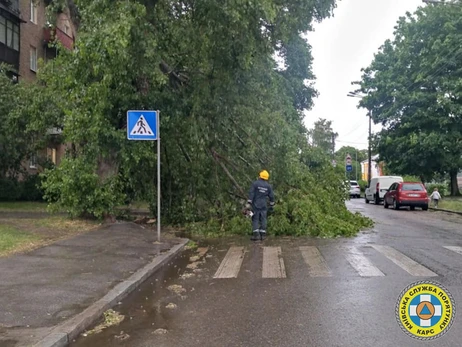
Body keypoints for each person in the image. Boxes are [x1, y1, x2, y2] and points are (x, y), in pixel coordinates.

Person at [246, 170, 275, 241]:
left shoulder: (255, 184)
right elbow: (271, 196)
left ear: (260, 176)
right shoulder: (268, 186)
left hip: (255, 205)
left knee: (255, 219)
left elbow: (251, 193)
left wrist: (249, 203)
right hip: (264, 205)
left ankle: (256, 235)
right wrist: (271, 205)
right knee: (263, 219)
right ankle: (263, 235)